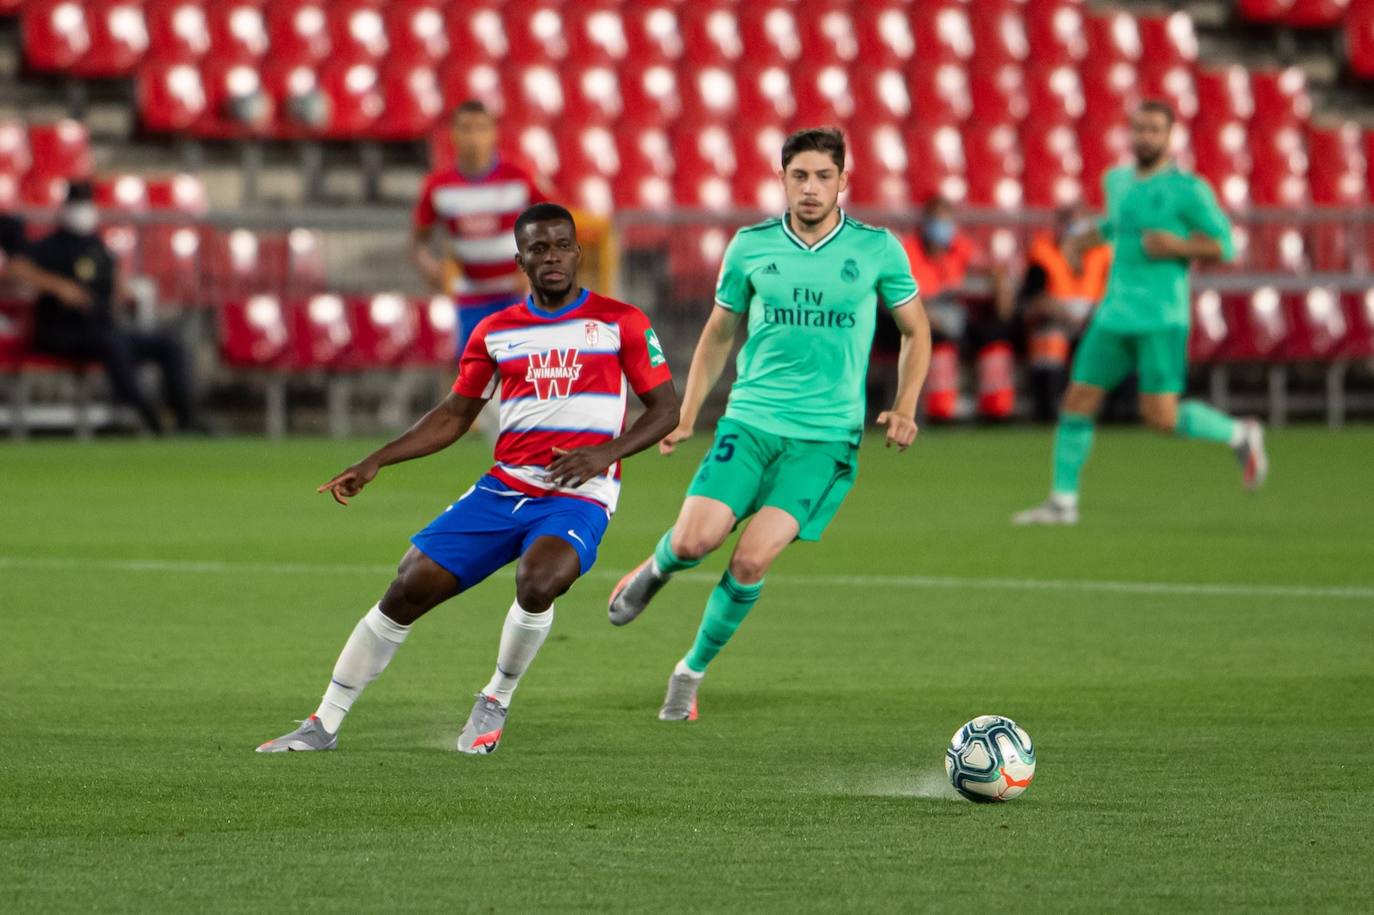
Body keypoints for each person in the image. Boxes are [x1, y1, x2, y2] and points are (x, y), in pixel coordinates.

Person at [258, 203, 679, 755]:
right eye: (538, 249)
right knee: (408, 586)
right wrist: (377, 459)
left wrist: (606, 455)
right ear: (520, 260)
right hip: (505, 488)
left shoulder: (621, 322)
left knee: (539, 580)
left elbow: (665, 409)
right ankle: (323, 724)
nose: (551, 257)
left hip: (578, 495)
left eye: (560, 246)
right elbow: (455, 416)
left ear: (578, 253)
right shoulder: (496, 332)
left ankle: (495, 699)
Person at [605, 127, 932, 722]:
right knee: (693, 541)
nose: (811, 188)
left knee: (750, 561)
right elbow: (717, 334)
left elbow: (917, 330)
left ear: (844, 182)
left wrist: (906, 404)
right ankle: (656, 569)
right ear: (782, 180)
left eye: (823, 176)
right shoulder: (750, 247)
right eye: (799, 176)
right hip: (750, 423)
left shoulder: (877, 249)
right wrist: (686, 412)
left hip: (824, 438)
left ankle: (689, 673)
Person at [1012, 101, 1267, 526]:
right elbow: (1117, 226)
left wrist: (1179, 247)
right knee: (1077, 399)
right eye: (1139, 129)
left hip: (1162, 317)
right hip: (1113, 314)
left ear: (1170, 136)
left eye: (1153, 130)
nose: (1144, 137)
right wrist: (1082, 242)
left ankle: (1240, 434)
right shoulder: (1116, 181)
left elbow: (1225, 245)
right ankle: (1062, 502)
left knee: (1160, 417)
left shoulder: (1189, 189)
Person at [6, 182, 200, 434]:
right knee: (113, 344)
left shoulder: (97, 246)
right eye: (78, 204)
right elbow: (15, 268)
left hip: (102, 327)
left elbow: (116, 276)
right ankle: (148, 414)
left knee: (169, 345)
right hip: (63, 332)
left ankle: (185, 416)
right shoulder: (50, 245)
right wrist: (59, 287)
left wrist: (122, 288)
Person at [410, 100, 548, 357]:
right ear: (453, 134)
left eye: (481, 128)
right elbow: (419, 242)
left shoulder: (519, 178)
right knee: (466, 376)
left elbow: (553, 225)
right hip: (467, 298)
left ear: (493, 133)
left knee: (520, 373)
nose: (474, 137)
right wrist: (431, 268)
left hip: (514, 295)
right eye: (466, 128)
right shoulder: (438, 187)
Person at [901, 196, 1014, 420]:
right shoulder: (909, 251)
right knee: (938, 337)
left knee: (992, 335)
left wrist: (997, 280)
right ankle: (940, 409)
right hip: (924, 319)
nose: (942, 228)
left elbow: (989, 271)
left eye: (946, 221)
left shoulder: (960, 247)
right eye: (937, 221)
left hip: (958, 316)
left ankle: (996, 407)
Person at [1018, 203, 1112, 421]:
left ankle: (1115, 411)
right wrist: (1062, 314)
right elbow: (1033, 298)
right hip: (1055, 320)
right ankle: (1049, 410)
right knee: (1050, 342)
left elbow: (1115, 294)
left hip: (1093, 322)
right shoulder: (1044, 254)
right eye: (1070, 222)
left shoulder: (1102, 255)